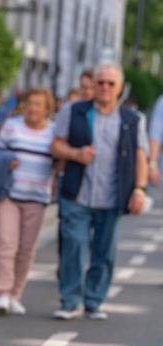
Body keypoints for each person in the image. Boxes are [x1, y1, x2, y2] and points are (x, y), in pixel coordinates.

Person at [50, 62, 149, 320]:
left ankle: (93, 301)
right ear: (92, 85)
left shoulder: (132, 119)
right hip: (77, 193)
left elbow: (140, 157)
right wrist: (75, 153)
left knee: (104, 252)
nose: (104, 87)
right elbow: (56, 146)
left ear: (119, 87)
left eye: (110, 83)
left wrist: (139, 189)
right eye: (100, 82)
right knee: (74, 245)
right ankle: (70, 301)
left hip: (112, 197)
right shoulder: (74, 111)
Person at [0, 88, 57, 315]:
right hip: (8, 194)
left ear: (47, 108)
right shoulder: (12, 126)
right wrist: (6, 162)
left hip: (37, 197)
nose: (33, 108)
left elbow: (58, 162)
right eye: (29, 103)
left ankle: (16, 294)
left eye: (38, 104)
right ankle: (3, 293)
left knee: (26, 248)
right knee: (6, 243)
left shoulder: (54, 132)